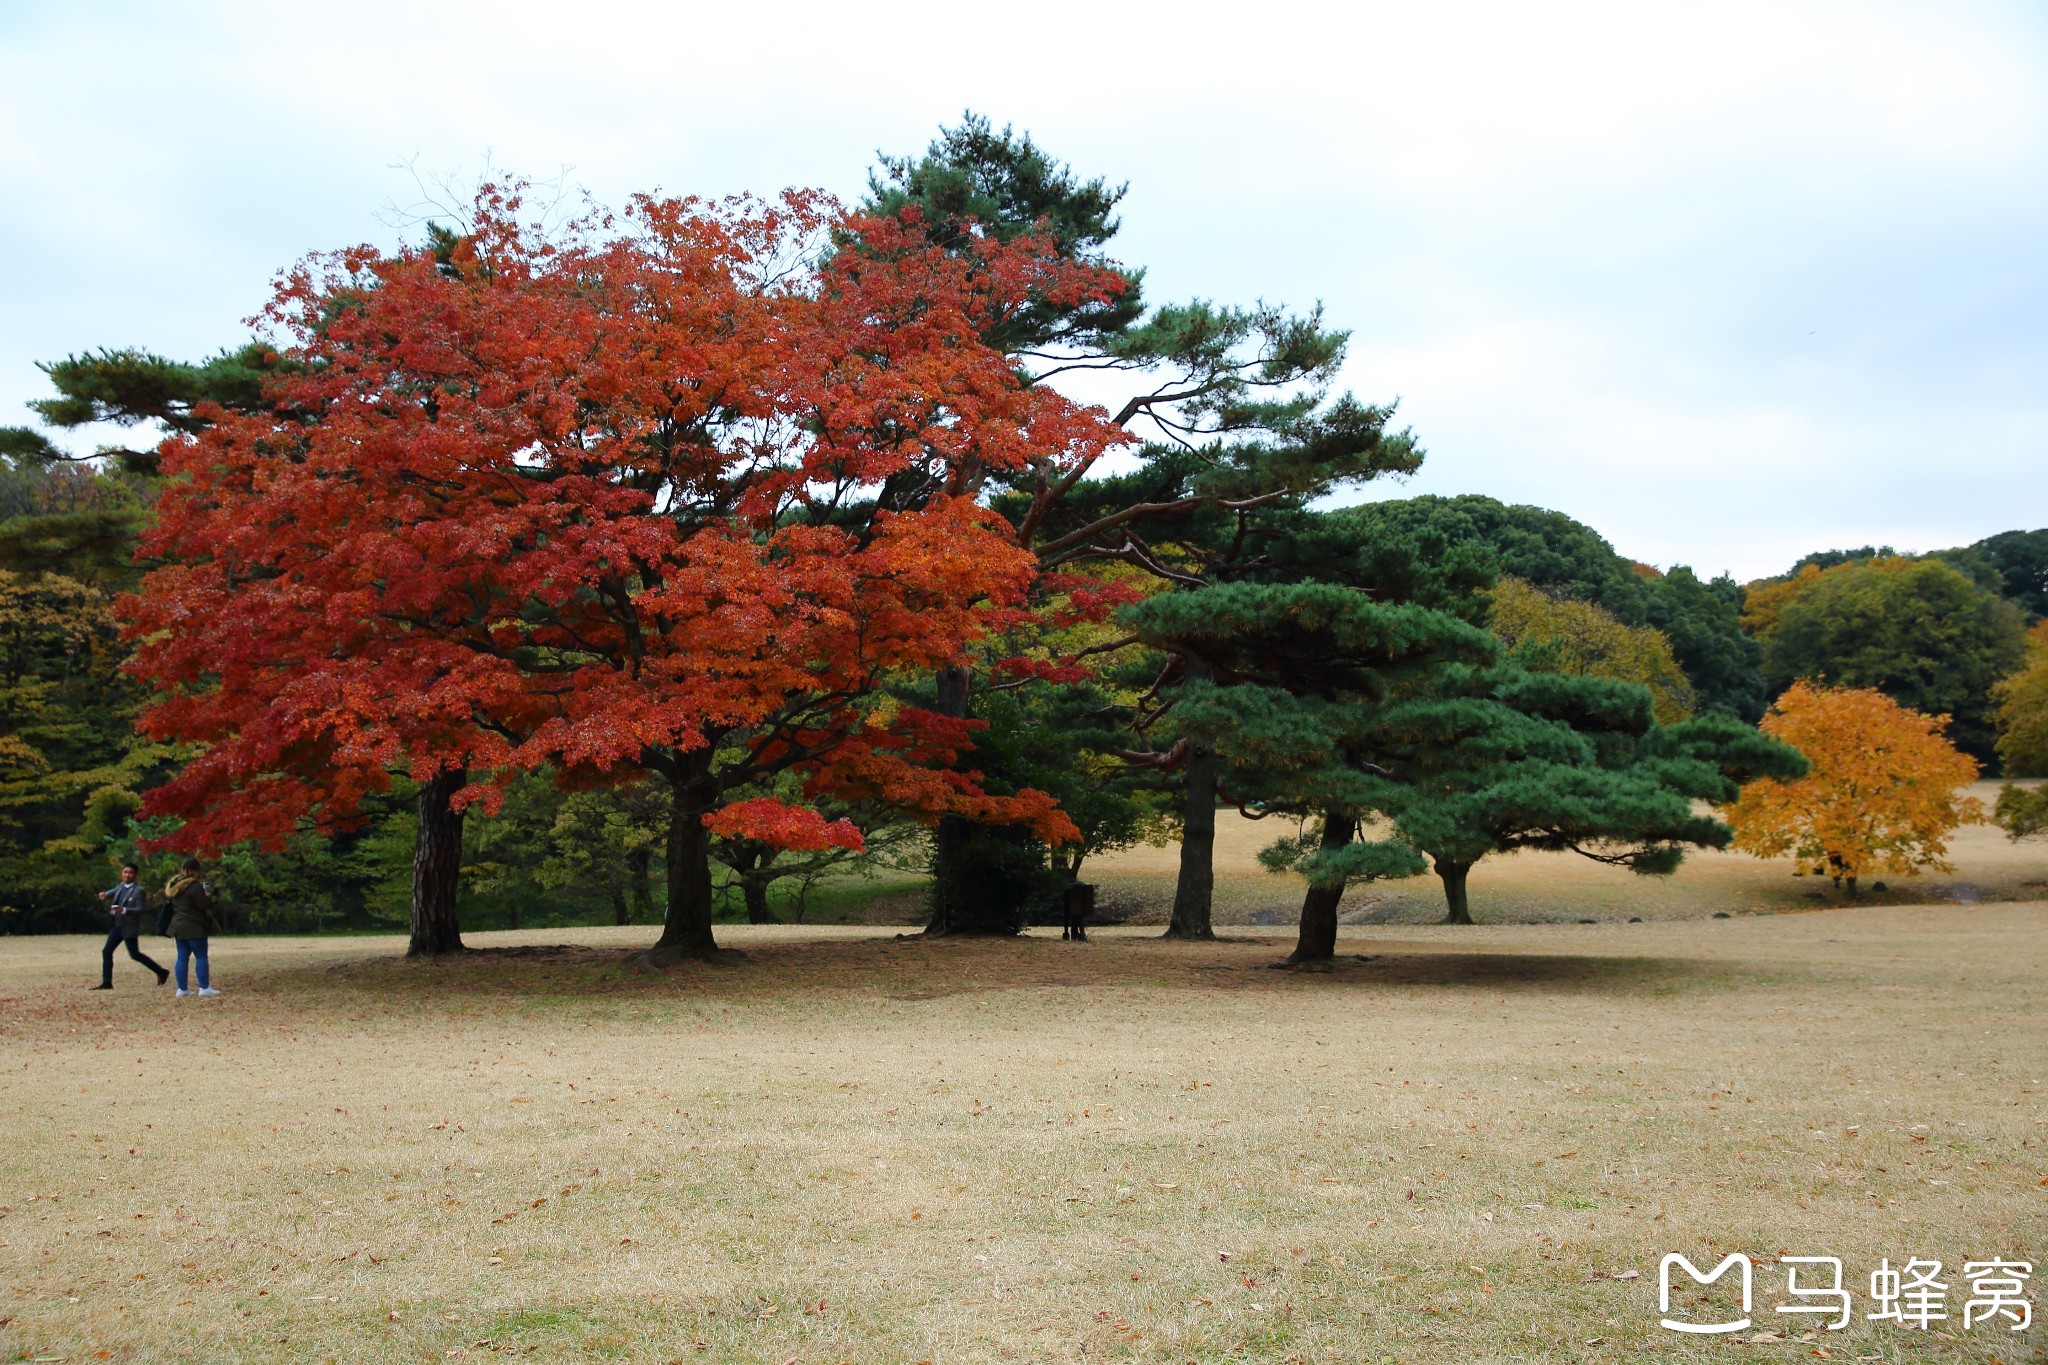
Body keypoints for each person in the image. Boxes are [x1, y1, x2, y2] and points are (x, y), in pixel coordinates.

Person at [94, 862, 169, 990]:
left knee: (135, 954)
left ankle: (161, 971)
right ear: (122, 873)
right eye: (125, 872)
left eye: (130, 873)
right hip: (117, 926)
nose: (127, 875)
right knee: (106, 952)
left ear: (135, 875)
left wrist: (124, 910)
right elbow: (114, 891)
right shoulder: (122, 886)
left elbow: (140, 909)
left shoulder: (139, 890)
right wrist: (105, 894)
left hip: (129, 927)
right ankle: (107, 982)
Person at [163, 858, 221, 997]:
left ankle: (182, 989)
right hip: (194, 926)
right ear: (197, 870)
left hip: (178, 926)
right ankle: (204, 987)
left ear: (182, 868)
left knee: (182, 957)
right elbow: (204, 906)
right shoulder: (195, 887)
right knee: (201, 957)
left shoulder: (175, 886)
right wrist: (207, 896)